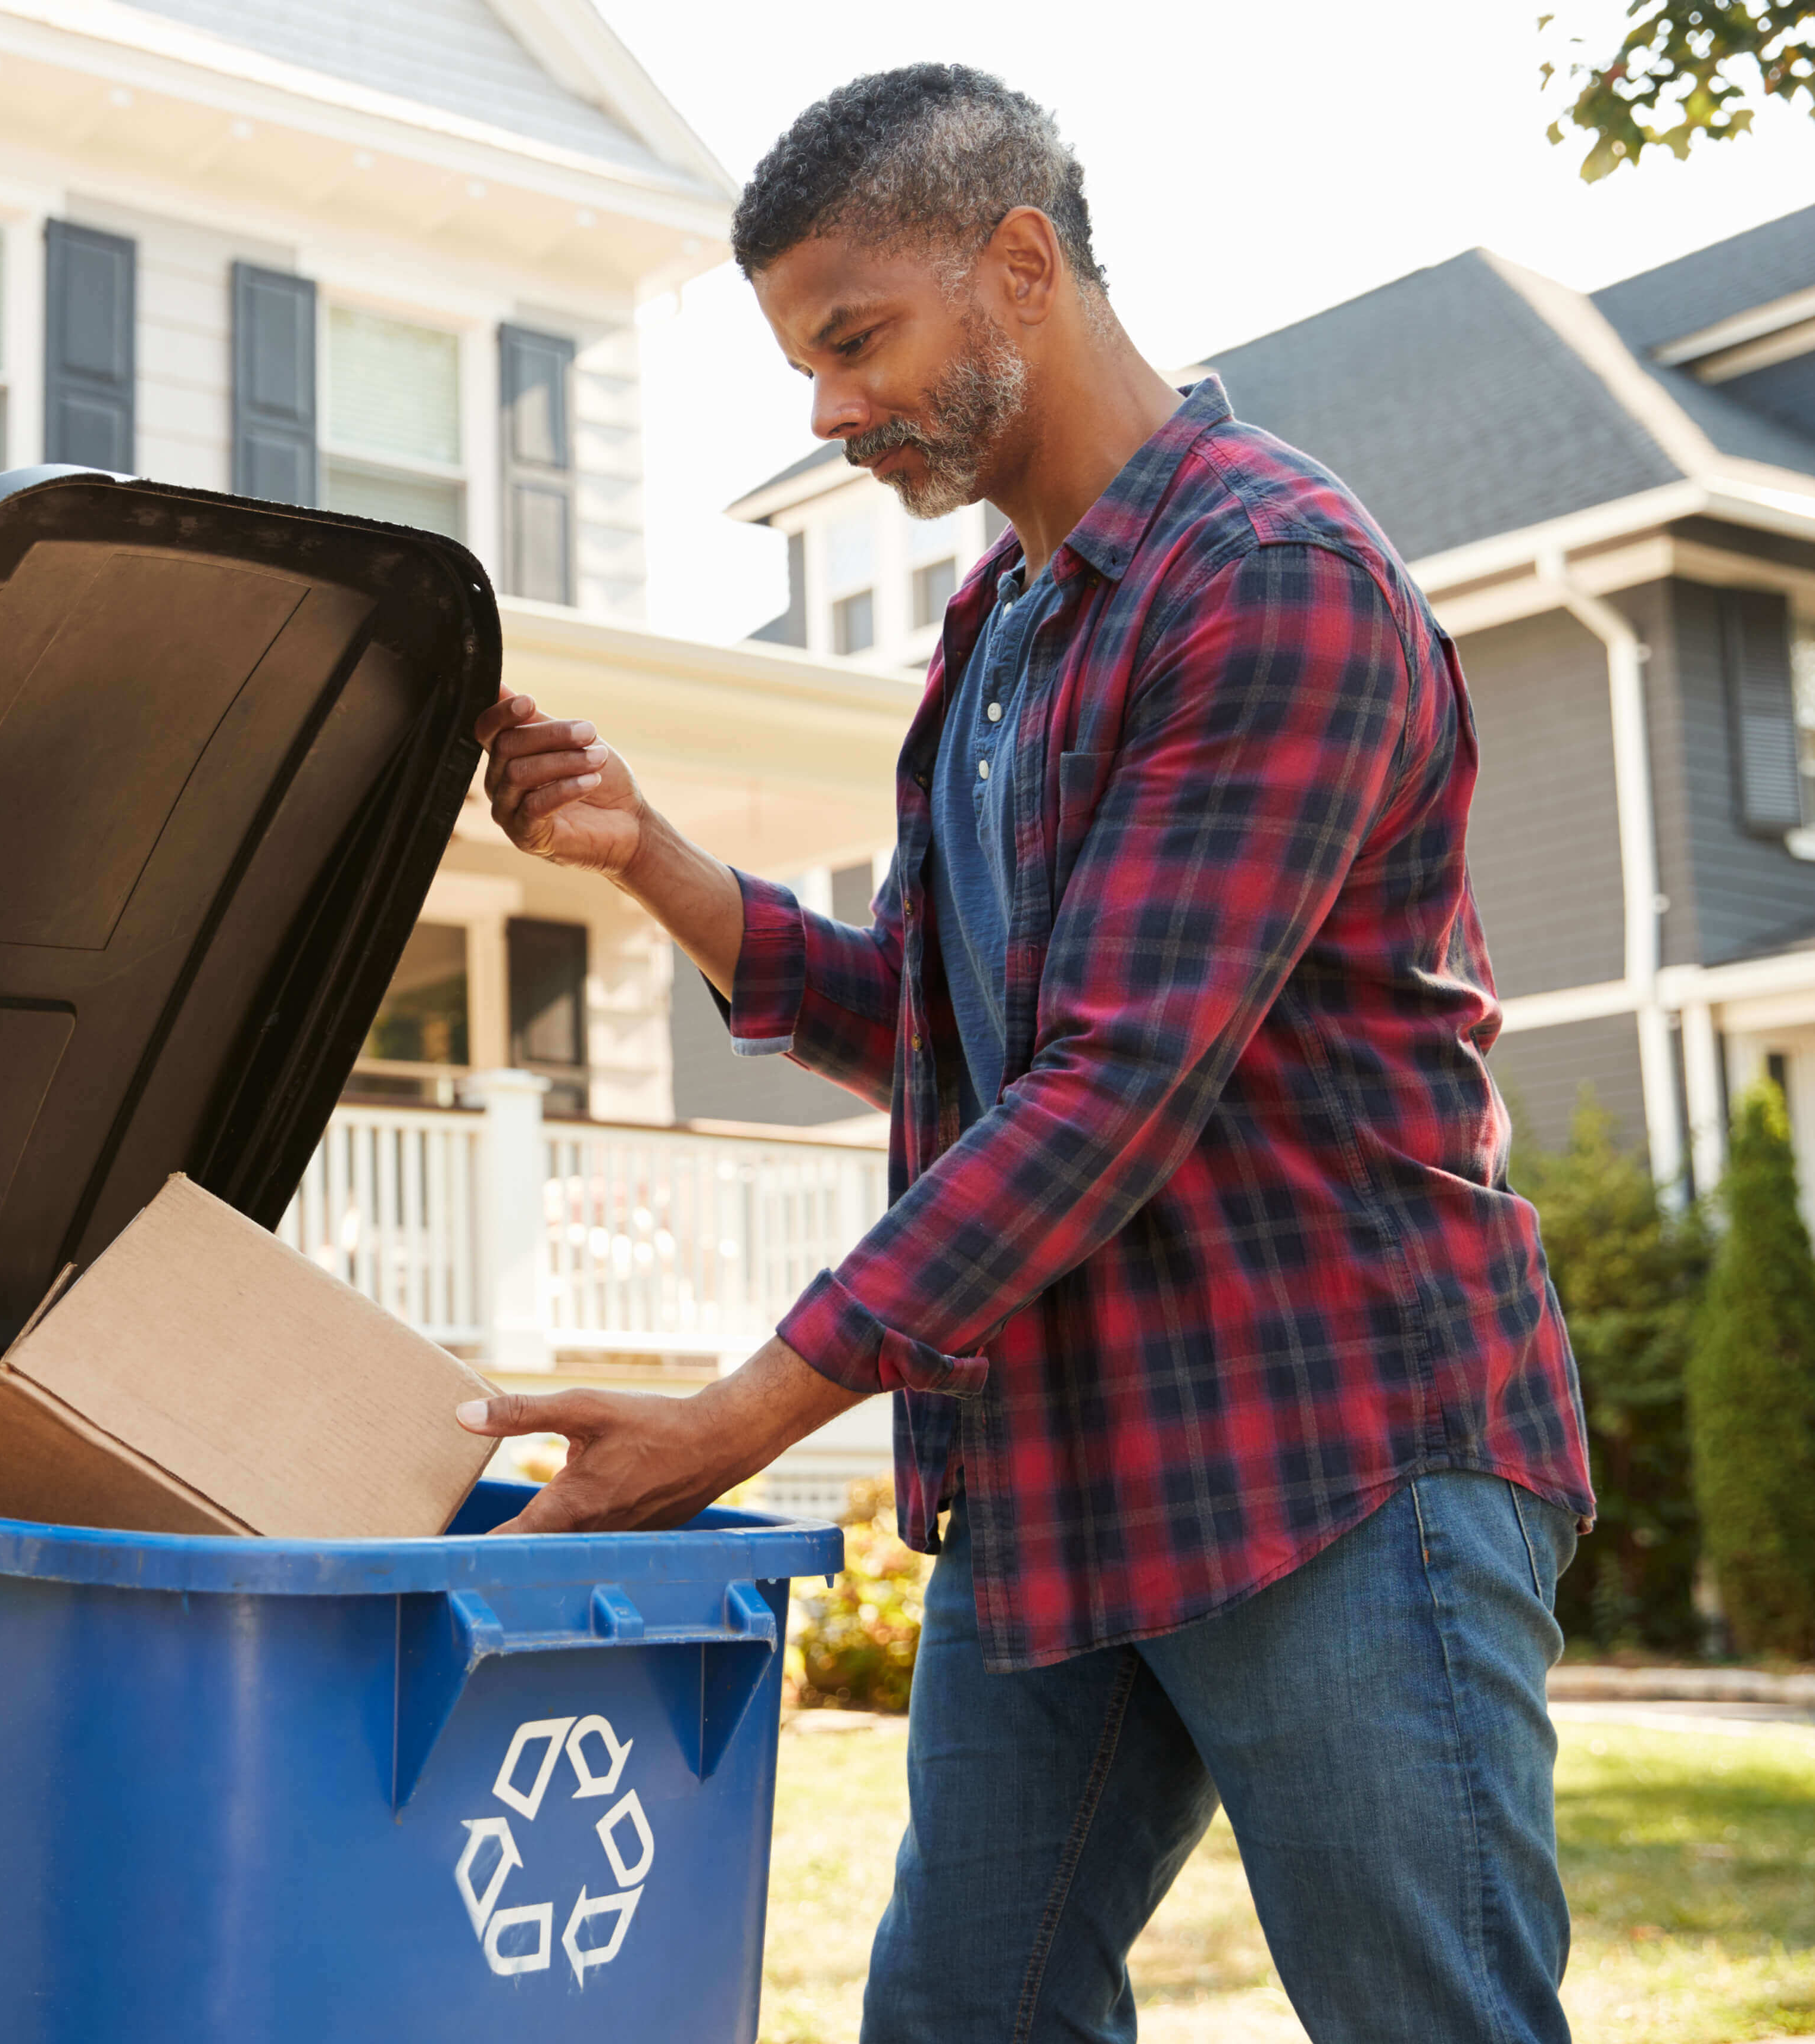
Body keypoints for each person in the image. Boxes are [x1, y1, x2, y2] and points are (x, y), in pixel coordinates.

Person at [453, 64, 1595, 2044]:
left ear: (1016, 264)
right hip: (1065, 1467)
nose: (822, 411)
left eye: (849, 340)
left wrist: (728, 1425)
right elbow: (948, 1030)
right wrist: (648, 858)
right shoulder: (999, 629)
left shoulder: (1265, 576)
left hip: (1335, 1449)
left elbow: (1108, 1093)